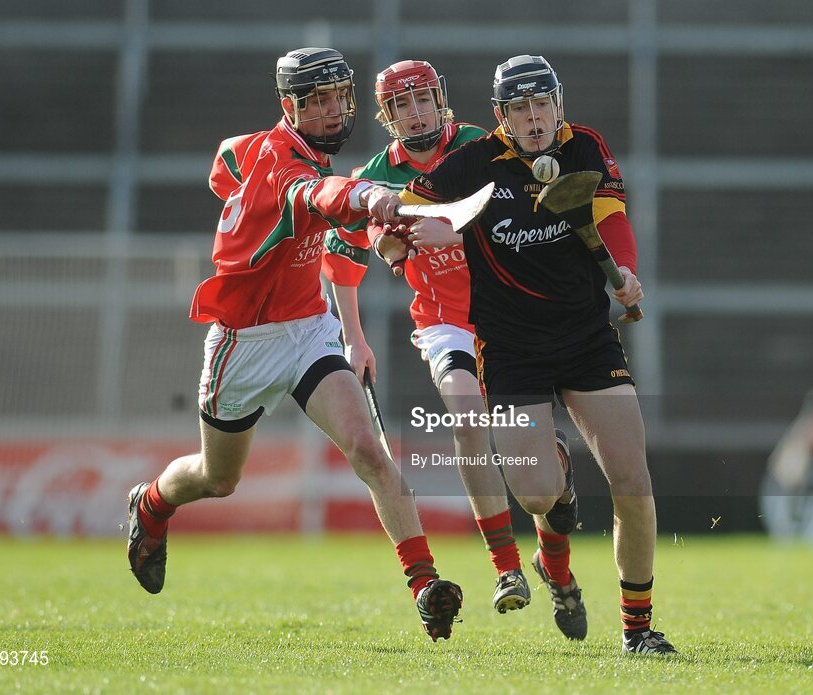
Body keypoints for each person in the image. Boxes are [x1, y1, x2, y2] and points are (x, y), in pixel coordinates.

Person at [125, 47, 463, 643]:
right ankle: (151, 504)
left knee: (369, 450)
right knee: (217, 478)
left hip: (308, 330)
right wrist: (370, 199)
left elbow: (223, 161)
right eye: (319, 101)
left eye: (340, 97)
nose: (335, 111)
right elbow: (322, 195)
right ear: (290, 106)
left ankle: (425, 584)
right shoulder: (288, 167)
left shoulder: (260, 147)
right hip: (244, 343)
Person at [375, 55, 677, 654]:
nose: (534, 117)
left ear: (558, 104)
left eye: (542, 104)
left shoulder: (585, 146)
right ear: (500, 117)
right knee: (537, 496)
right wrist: (409, 233)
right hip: (512, 349)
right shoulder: (472, 163)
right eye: (520, 108)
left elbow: (610, 217)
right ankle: (555, 488)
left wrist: (626, 274)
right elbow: (398, 218)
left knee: (634, 484)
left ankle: (638, 628)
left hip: (588, 339)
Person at [322, 60, 580, 628]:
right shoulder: (374, 178)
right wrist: (355, 341)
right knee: (466, 415)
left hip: (507, 317)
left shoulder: (482, 149)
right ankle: (507, 568)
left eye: (424, 100)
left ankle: (555, 566)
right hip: (443, 319)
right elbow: (342, 260)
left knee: (533, 472)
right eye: (403, 105)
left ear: (443, 101)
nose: (417, 113)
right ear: (387, 116)